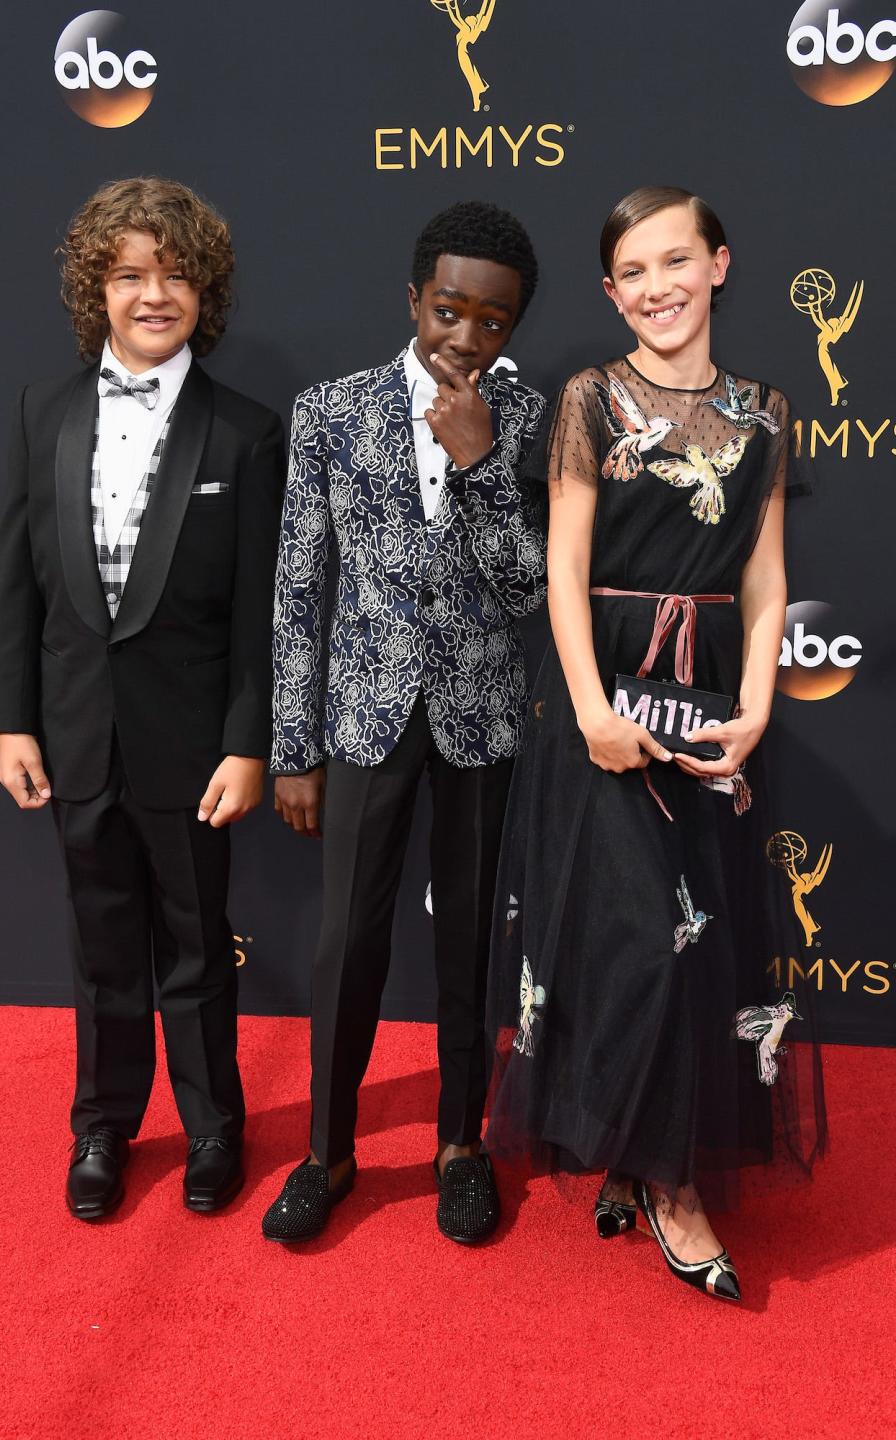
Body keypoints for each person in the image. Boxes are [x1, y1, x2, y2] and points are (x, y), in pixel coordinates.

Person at [484, 186, 826, 1301]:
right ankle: (668, 1183)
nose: (657, 287)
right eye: (633, 273)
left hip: (713, 694)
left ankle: (649, 1154)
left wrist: (762, 705)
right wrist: (589, 709)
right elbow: (563, 571)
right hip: (606, 691)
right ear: (610, 292)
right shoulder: (589, 399)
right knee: (633, 937)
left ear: (719, 265)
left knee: (705, 939)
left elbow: (768, 579)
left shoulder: (768, 410)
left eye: (675, 261)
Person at [0, 177, 285, 1220]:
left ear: (205, 290)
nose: (152, 294)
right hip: (75, 737)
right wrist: (15, 720)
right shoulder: (45, 411)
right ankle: (103, 1128)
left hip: (193, 745)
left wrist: (249, 742)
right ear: (95, 291)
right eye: (128, 275)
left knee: (198, 946)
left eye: (174, 274)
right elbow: (17, 582)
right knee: (103, 946)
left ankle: (214, 1128)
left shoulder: (248, 433)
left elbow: (261, 614)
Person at [265, 201, 546, 1245]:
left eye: (493, 321)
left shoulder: (532, 420)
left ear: (514, 327)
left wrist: (477, 466)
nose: (466, 337)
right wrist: (295, 746)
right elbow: (299, 587)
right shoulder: (331, 412)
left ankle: (460, 1148)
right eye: (448, 309)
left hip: (482, 722)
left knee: (472, 940)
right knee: (348, 944)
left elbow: (528, 594)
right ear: (414, 297)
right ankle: (328, 1154)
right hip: (364, 717)